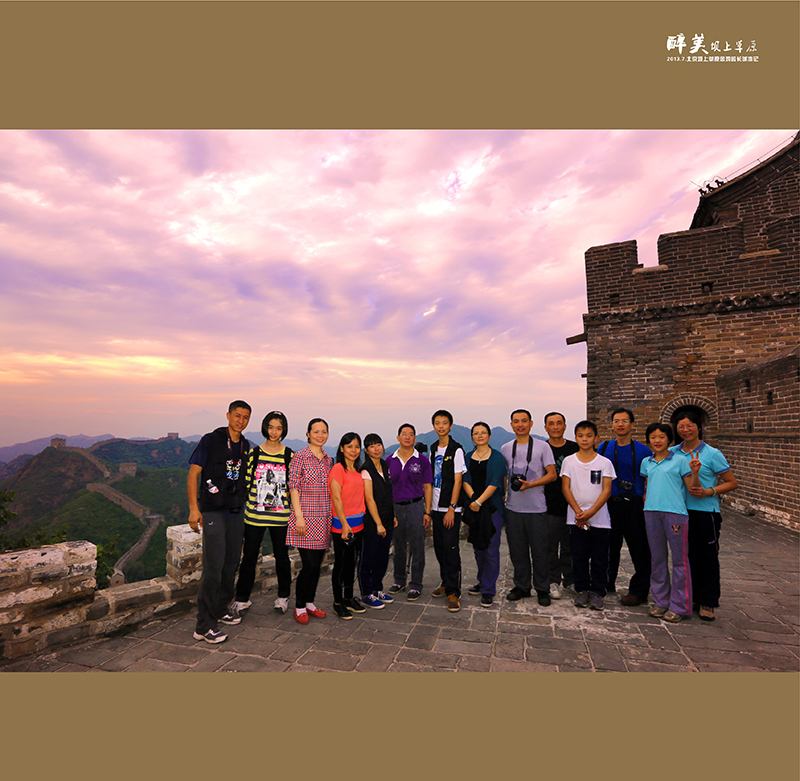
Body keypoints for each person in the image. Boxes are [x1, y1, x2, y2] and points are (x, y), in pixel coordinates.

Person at [188, 401, 252, 644]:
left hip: (235, 510)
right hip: (213, 511)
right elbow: (193, 474)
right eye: (237, 416)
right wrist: (194, 509)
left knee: (230, 563)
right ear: (228, 415)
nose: (241, 421)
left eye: (245, 417)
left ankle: (220, 608)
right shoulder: (211, 440)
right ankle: (204, 626)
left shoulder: (245, 445)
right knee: (213, 567)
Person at [670, 411, 739, 621]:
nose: (685, 430)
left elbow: (732, 482)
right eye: (681, 426)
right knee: (684, 557)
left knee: (707, 557)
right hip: (679, 512)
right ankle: (689, 597)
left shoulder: (712, 454)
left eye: (690, 425)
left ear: (699, 427)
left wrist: (710, 491)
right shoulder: (672, 453)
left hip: (705, 513)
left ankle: (708, 601)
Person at [231, 411, 293, 618]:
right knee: (249, 558)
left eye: (279, 428)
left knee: (282, 557)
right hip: (254, 516)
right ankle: (242, 599)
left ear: (283, 430)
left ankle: (283, 597)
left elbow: (292, 486)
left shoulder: (289, 455)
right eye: (271, 427)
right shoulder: (254, 454)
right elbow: (247, 483)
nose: (274, 432)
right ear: (265, 428)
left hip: (280, 517)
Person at [640, 422, 701, 623]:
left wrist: (695, 472)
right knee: (657, 559)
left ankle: (679, 606)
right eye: (653, 437)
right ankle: (660, 602)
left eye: (662, 437)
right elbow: (647, 487)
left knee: (679, 561)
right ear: (648, 440)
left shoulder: (680, 460)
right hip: (651, 513)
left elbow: (692, 488)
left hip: (675, 514)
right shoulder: (646, 462)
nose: (657, 441)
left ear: (669, 439)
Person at [501, 408, 557, 605]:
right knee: (517, 552)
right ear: (511, 425)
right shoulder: (506, 448)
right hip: (513, 508)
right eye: (516, 421)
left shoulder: (543, 447)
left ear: (531, 423)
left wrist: (531, 484)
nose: (520, 425)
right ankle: (522, 586)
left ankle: (542, 589)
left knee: (540, 551)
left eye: (524, 421)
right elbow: (504, 476)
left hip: (537, 509)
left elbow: (552, 474)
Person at [598, 408, 653, 607]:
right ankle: (606, 582)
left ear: (632, 424)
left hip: (634, 504)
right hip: (609, 502)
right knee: (609, 546)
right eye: (616, 421)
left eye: (624, 421)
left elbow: (650, 477)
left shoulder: (643, 451)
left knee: (639, 548)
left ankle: (639, 591)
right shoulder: (604, 447)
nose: (620, 424)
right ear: (612, 424)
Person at [561, 420, 616, 611]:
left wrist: (590, 513)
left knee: (600, 557)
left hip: (599, 518)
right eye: (581, 436)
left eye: (589, 436)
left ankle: (599, 592)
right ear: (576, 438)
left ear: (596, 439)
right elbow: (566, 488)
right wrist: (579, 513)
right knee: (579, 556)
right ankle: (582, 589)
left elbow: (607, 490)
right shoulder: (569, 461)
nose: (584, 439)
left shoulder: (604, 463)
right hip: (575, 518)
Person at [285, 418, 334, 625]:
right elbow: (293, 487)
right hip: (305, 519)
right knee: (309, 565)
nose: (320, 435)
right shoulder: (300, 457)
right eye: (316, 431)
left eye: (324, 431)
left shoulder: (329, 460)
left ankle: (310, 602)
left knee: (317, 565)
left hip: (324, 518)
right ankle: (299, 605)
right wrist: (299, 517)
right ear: (308, 433)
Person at [462, 422, 508, 607]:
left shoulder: (497, 457)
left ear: (489, 435)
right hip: (474, 507)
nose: (480, 435)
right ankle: (482, 582)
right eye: (476, 433)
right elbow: (465, 479)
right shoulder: (467, 457)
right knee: (478, 547)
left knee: (491, 548)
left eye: (483, 432)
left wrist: (479, 502)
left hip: (492, 508)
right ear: (472, 436)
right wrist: (473, 500)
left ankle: (489, 589)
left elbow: (496, 482)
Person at [387, 423, 433, 601]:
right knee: (398, 546)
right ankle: (399, 580)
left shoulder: (422, 460)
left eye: (411, 434)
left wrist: (427, 512)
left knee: (417, 546)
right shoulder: (389, 460)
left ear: (415, 438)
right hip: (396, 507)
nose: (407, 437)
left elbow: (427, 487)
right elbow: (386, 488)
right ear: (398, 438)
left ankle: (416, 584)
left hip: (416, 506)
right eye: (404, 434)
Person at [429, 409, 467, 613]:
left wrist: (452, 508)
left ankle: (454, 592)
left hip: (450, 507)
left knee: (451, 549)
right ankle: (445, 582)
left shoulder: (456, 450)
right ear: (434, 426)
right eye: (437, 423)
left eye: (444, 423)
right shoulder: (433, 448)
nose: (441, 426)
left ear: (450, 426)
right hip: (435, 506)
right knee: (439, 548)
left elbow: (458, 480)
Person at [329, 432, 368, 620]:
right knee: (340, 564)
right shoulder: (338, 469)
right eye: (349, 446)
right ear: (342, 448)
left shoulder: (358, 470)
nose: (353, 450)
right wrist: (344, 524)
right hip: (342, 526)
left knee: (352, 563)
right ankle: (338, 603)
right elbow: (336, 498)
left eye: (356, 446)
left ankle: (349, 598)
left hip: (358, 525)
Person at [543, 411, 579, 599]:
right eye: (551, 423)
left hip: (573, 505)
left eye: (559, 423)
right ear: (545, 427)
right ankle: (552, 581)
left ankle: (571, 580)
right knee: (550, 547)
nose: (555, 427)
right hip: (549, 506)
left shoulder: (575, 448)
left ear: (565, 426)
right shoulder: (542, 448)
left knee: (570, 546)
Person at [359, 434, 397, 608]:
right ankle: (366, 593)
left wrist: (392, 515)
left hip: (387, 518)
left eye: (378, 445)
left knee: (382, 557)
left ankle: (377, 589)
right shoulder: (366, 470)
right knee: (369, 558)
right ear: (366, 450)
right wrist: (379, 524)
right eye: (372, 446)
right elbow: (369, 499)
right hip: (373, 522)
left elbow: (388, 493)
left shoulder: (384, 465)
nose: (376, 449)